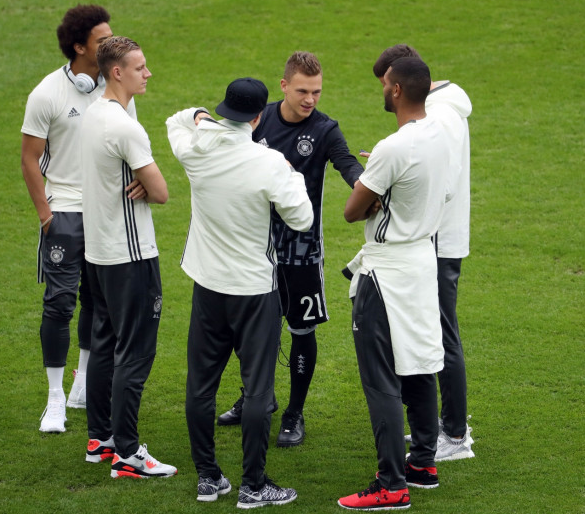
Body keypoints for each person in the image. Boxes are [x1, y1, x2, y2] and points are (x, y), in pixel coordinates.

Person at [166, 78, 312, 506]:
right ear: (259, 115)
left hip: (207, 286)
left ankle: (208, 478)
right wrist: (290, 173)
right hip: (253, 290)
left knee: (200, 387)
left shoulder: (197, 148)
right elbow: (301, 219)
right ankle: (253, 485)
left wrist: (200, 118)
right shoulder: (268, 162)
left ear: (223, 110)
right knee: (259, 390)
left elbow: (178, 118)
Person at [217, 52, 364, 449]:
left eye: (316, 91)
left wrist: (371, 183)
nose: (310, 99)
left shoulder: (325, 129)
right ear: (284, 86)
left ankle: (294, 414)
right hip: (253, 246)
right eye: (302, 90)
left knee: (301, 330)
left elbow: (348, 166)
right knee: (248, 330)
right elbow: (217, 150)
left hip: (301, 251)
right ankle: (254, 397)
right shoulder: (256, 120)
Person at [337, 57, 451, 511]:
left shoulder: (392, 148)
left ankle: (391, 484)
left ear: (398, 90)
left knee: (381, 379)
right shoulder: (442, 133)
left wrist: (375, 185)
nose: (381, 89)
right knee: (421, 364)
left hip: (385, 271)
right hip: (423, 260)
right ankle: (423, 463)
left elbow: (352, 210)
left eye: (385, 84)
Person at [21, 4, 141, 432]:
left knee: (99, 300)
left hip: (105, 211)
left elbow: (129, 145)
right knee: (58, 302)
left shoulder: (116, 86)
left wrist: (142, 180)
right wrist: (45, 214)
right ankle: (55, 398)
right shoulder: (47, 94)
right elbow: (30, 158)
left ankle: (84, 381)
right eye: (102, 38)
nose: (111, 42)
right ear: (79, 47)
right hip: (64, 212)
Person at [371, 44, 474, 462]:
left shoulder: (442, 117)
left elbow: (442, 183)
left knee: (441, 334)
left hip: (436, 241)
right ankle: (444, 428)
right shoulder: (442, 108)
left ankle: (454, 435)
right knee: (435, 332)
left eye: (387, 84)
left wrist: (393, 185)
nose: (387, 92)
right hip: (436, 237)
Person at [80, 36, 176, 479]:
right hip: (131, 256)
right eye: (140, 67)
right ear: (117, 72)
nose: (148, 73)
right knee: (134, 353)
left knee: (103, 345)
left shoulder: (91, 115)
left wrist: (138, 179)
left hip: (98, 253)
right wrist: (144, 183)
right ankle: (129, 454)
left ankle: (100, 440)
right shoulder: (125, 128)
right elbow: (161, 191)